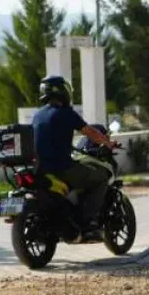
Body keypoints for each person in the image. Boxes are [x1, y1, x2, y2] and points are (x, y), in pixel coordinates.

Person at [32, 75, 120, 237]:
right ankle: (87, 221)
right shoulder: (66, 113)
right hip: (62, 168)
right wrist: (108, 143)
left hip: (40, 169)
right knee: (102, 177)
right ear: (63, 92)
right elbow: (91, 133)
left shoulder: (37, 115)